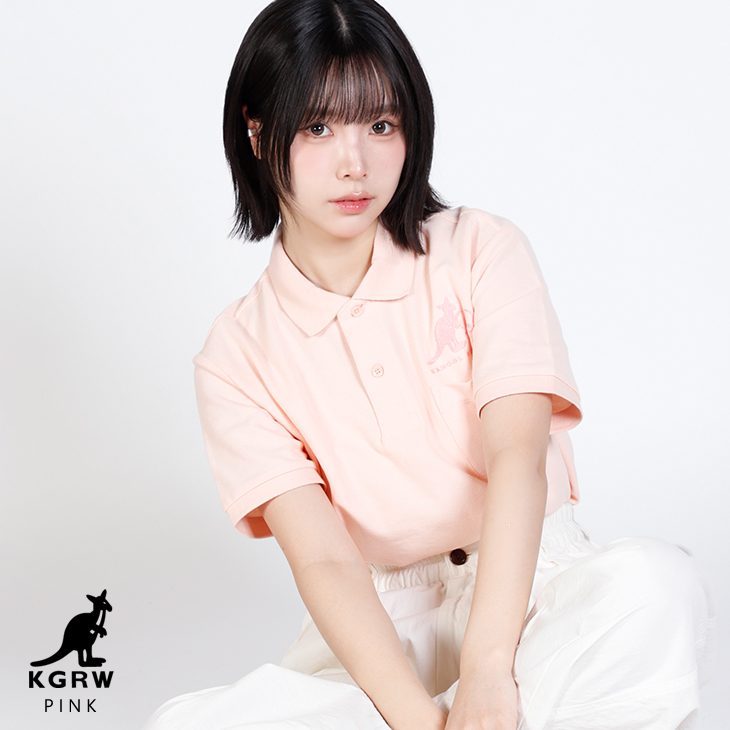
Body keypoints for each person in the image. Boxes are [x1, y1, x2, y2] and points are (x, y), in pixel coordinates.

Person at [144, 1, 715, 728]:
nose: (355, 163)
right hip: (381, 630)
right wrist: (416, 717)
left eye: (381, 125)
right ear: (257, 133)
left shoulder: (481, 249)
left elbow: (517, 459)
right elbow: (325, 561)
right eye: (318, 127)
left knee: (657, 587)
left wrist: (488, 670)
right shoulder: (234, 355)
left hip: (530, 590)